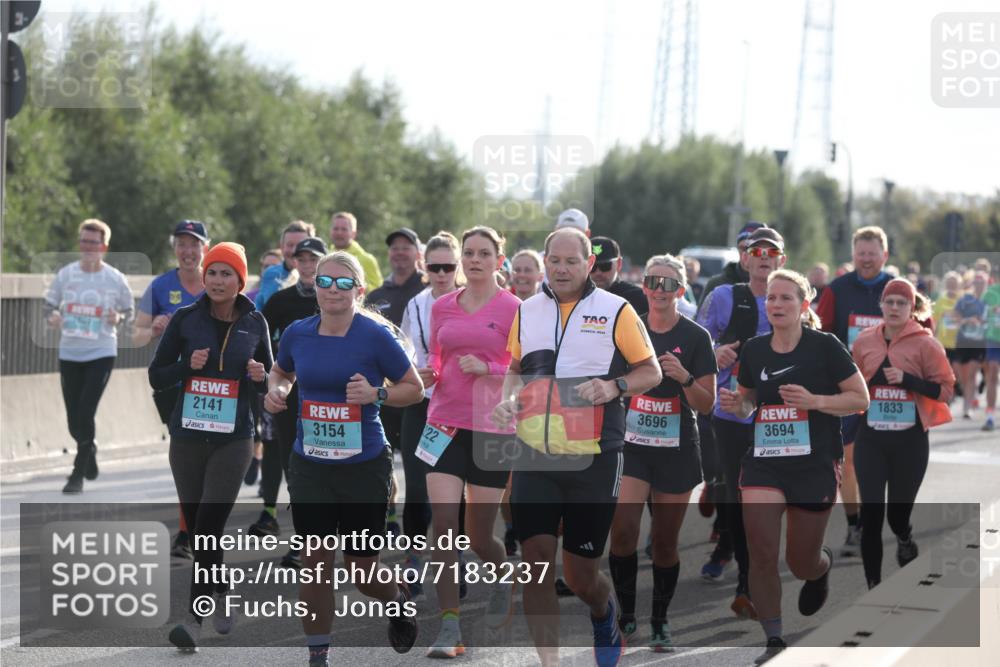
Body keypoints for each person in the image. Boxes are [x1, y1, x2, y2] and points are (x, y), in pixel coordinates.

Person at [491, 227, 662, 667]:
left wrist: (614, 385)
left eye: (572, 261)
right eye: (555, 260)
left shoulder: (617, 310)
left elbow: (652, 371)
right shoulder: (528, 310)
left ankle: (604, 615)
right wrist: (509, 399)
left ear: (589, 264)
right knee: (535, 561)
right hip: (534, 455)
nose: (562, 268)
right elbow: (514, 367)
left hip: (594, 458)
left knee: (581, 574)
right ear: (544, 261)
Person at [263, 251, 423, 666]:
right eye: (324, 281)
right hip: (310, 464)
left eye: (343, 282)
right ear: (314, 286)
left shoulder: (374, 336)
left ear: (359, 289)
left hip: (363, 465)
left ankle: (396, 597)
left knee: (363, 571)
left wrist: (377, 394)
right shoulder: (298, 333)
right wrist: (278, 390)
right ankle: (319, 655)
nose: (332, 290)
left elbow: (414, 387)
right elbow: (281, 371)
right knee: (315, 563)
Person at [719, 269, 869, 664]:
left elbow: (860, 399)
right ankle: (773, 638)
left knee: (799, 562)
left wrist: (815, 401)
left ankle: (820, 568)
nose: (777, 305)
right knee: (761, 550)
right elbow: (750, 398)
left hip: (814, 462)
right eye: (771, 298)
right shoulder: (754, 349)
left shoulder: (826, 347)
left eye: (786, 298)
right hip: (765, 462)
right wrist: (741, 405)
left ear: (804, 306)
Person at [148, 242, 273, 651]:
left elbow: (271, 379)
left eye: (227, 274)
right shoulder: (186, 319)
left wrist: (259, 375)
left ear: (240, 281)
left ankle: (193, 618)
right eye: (213, 273)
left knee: (208, 527)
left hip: (233, 438)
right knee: (202, 527)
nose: (218, 281)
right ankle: (221, 588)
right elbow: (156, 375)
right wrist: (188, 367)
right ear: (205, 277)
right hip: (186, 437)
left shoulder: (256, 323)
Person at [416, 226, 521, 657]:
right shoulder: (441, 307)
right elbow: (436, 359)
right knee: (443, 528)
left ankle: (501, 576)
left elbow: (525, 368)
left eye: (483, 253)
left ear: (499, 259)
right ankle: (450, 628)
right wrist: (429, 374)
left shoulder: (516, 308)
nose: (474, 260)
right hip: (443, 423)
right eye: (468, 253)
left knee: (479, 537)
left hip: (493, 428)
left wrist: (490, 370)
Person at [608, 254, 717, 652]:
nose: (658, 289)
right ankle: (626, 614)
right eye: (652, 281)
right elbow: (608, 380)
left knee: (666, 542)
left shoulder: (695, 338)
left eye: (669, 284)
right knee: (622, 531)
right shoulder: (627, 327)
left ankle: (659, 619)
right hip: (633, 446)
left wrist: (684, 376)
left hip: (677, 450)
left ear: (681, 291)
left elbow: (707, 404)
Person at [696, 227, 786, 618]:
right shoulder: (724, 296)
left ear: (781, 260)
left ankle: (762, 568)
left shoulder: (791, 297)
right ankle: (745, 578)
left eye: (772, 251)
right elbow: (696, 342)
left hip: (776, 414)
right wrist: (715, 353)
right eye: (756, 250)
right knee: (734, 493)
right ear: (745, 258)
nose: (763, 256)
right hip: (729, 410)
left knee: (765, 498)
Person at [852, 278, 955, 589]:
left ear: (912, 309)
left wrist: (908, 379)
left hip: (909, 442)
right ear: (881, 305)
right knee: (870, 517)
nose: (895, 308)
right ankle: (873, 585)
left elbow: (946, 390)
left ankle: (905, 536)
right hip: (870, 438)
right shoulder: (864, 341)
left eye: (902, 303)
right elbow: (850, 384)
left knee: (896, 515)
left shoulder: (926, 343)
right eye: (890, 302)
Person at [133, 220, 209, 559]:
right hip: (173, 383)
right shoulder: (161, 286)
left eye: (194, 244)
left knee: (206, 459)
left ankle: (194, 529)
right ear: (174, 248)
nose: (188, 251)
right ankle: (187, 531)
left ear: (205, 248)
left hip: (212, 386)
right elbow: (134, 335)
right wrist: (152, 328)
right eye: (181, 244)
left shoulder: (216, 284)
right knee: (186, 457)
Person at [815, 225, 892, 558]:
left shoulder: (896, 288)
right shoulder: (837, 289)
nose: (865, 259)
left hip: (890, 390)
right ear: (853, 255)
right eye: (860, 253)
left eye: (871, 253)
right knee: (847, 462)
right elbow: (821, 333)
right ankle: (855, 525)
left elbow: (923, 332)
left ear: (884, 255)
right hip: (847, 387)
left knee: (879, 463)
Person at [44, 219, 135, 494]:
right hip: (70, 352)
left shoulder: (115, 278)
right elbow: (48, 305)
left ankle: (77, 473)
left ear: (104, 247)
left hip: (101, 351)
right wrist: (53, 316)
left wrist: (117, 317)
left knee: (86, 409)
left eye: (93, 242)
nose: (88, 247)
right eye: (84, 241)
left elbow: (130, 312)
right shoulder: (66, 275)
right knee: (74, 419)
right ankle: (90, 447)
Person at [398, 231, 464, 600]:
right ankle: (413, 560)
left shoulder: (470, 302)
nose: (441, 273)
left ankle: (454, 563)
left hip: (458, 407)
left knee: (456, 493)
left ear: (458, 267)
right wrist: (413, 374)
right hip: (423, 405)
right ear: (424, 266)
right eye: (434, 266)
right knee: (417, 486)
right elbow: (405, 352)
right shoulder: (417, 304)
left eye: (448, 267)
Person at [250, 237, 327, 548]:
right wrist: (269, 376)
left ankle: (324, 530)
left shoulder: (334, 298)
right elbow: (260, 340)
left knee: (323, 461)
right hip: (289, 392)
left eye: (314, 259)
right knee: (291, 462)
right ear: (295, 262)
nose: (307, 265)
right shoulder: (281, 301)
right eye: (302, 259)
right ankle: (305, 537)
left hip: (327, 393)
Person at [366, 227, 427, 533]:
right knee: (383, 459)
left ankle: (430, 530)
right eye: (395, 248)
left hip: (421, 394)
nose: (400, 252)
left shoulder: (428, 289)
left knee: (421, 470)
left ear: (419, 253)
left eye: (407, 247)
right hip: (385, 391)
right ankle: (389, 514)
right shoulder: (377, 296)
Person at [697, 221, 768, 309]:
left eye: (754, 250)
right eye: (744, 248)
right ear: (738, 248)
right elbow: (699, 320)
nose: (746, 254)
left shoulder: (778, 286)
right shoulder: (717, 284)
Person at [254, 220, 316, 310]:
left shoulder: (321, 276)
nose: (294, 251)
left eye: (300, 245)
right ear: (282, 247)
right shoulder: (270, 274)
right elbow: (259, 309)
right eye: (290, 245)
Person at [953, 271, 989, 419]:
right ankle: (967, 392)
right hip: (962, 340)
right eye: (977, 283)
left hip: (979, 341)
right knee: (960, 375)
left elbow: (993, 318)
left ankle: (967, 408)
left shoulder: (989, 301)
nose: (979, 285)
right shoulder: (966, 299)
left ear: (986, 284)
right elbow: (955, 314)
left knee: (972, 373)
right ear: (973, 284)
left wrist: (983, 321)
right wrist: (967, 320)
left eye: (982, 283)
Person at [588, 236, 647, 316]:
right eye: (592, 267)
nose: (598, 272)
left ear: (619, 264)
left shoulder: (638, 298)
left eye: (605, 266)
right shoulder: (575, 297)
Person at [329, 211, 383, 293]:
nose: (339, 233)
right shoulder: (323, 257)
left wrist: (358, 283)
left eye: (344, 229)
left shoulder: (367, 259)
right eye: (336, 229)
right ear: (330, 231)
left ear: (353, 233)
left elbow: (380, 291)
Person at [932, 271, 964, 392]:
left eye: (954, 284)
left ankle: (957, 386)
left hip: (958, 342)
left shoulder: (962, 300)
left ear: (959, 285)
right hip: (943, 341)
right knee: (946, 372)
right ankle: (950, 395)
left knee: (956, 370)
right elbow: (934, 321)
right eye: (949, 283)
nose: (952, 286)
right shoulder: (941, 300)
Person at [982, 267, 1000, 431]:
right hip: (994, 338)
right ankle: (989, 416)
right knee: (992, 374)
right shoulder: (990, 293)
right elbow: (981, 313)